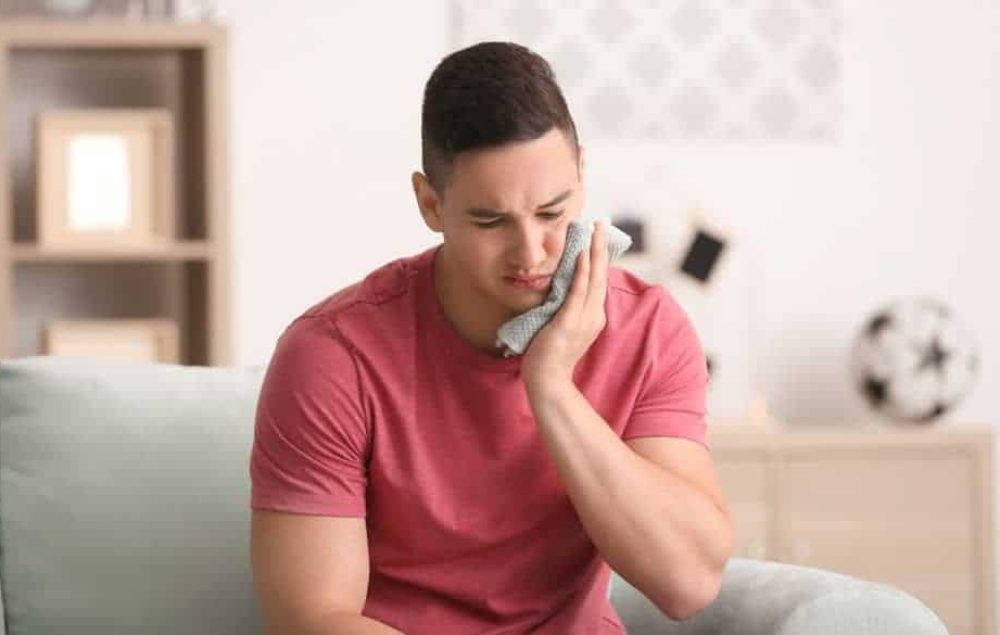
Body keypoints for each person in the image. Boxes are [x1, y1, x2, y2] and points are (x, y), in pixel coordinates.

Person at [249, 41, 734, 635]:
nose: (531, 253)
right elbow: (313, 619)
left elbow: (689, 584)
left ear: (582, 172)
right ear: (430, 203)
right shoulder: (331, 356)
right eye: (491, 221)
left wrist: (552, 387)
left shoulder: (648, 328)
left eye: (553, 213)